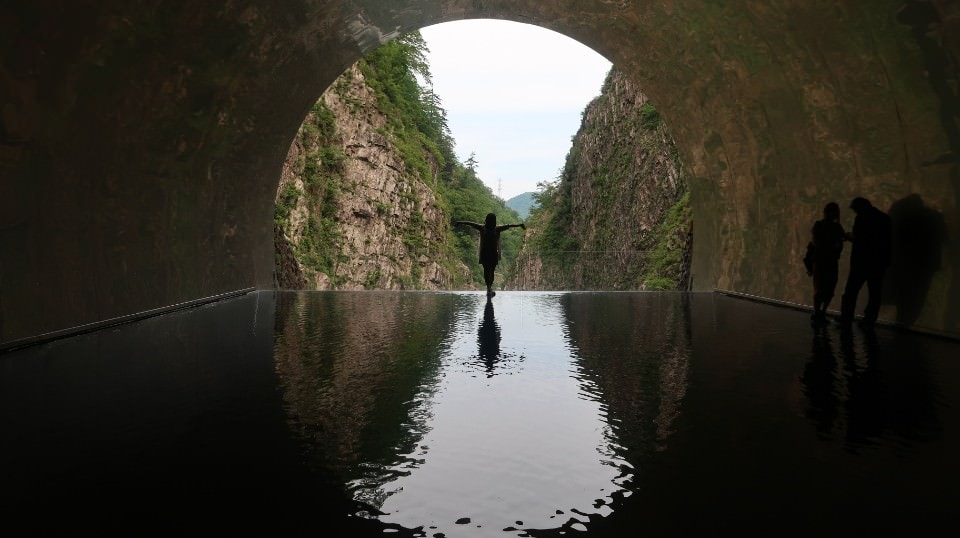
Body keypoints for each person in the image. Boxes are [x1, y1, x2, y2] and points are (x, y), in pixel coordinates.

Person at [839, 197, 892, 327]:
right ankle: (869, 320)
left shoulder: (862, 218)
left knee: (851, 291)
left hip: (860, 262)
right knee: (875, 293)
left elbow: (860, 239)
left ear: (860, 208)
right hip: (878, 262)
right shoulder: (884, 219)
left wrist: (847, 236)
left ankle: (846, 317)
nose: (856, 212)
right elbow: (889, 242)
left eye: (856, 210)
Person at [454, 213, 526, 297]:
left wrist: (460, 222)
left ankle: (489, 287)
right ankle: (489, 287)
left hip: (488, 253)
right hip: (490, 253)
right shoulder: (491, 228)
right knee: (489, 271)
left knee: (489, 271)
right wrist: (519, 225)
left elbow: (470, 223)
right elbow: (509, 225)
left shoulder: (488, 228)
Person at [808, 202, 846, 325]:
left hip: (825, 261)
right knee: (822, 288)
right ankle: (819, 312)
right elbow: (817, 242)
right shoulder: (828, 226)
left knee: (826, 288)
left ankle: (819, 313)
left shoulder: (833, 227)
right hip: (824, 261)